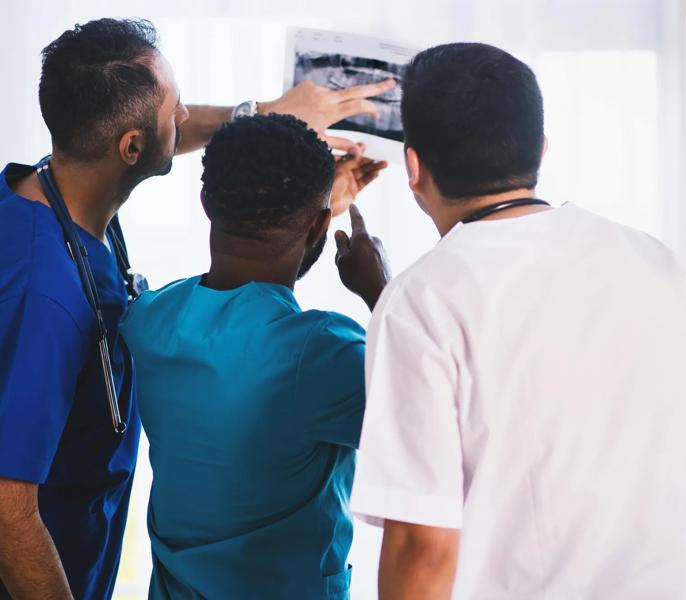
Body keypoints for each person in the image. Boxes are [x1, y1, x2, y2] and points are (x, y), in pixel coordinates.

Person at [349, 42, 686, 600]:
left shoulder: (418, 301)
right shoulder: (650, 261)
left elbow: (423, 545)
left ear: (413, 165)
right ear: (541, 150)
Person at [0, 17, 393, 600]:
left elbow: (240, 280)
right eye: (175, 109)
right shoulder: (49, 294)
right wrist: (376, 289)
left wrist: (273, 136)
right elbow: (8, 510)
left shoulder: (143, 310)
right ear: (131, 147)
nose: (187, 120)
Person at [118, 113, 390, 599]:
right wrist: (382, 294)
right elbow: (434, 423)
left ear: (206, 203)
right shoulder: (322, 354)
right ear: (319, 227)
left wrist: (313, 212)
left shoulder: (148, 320)